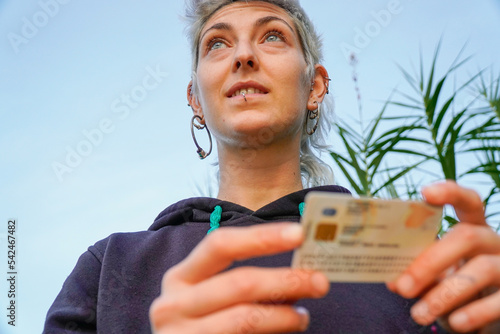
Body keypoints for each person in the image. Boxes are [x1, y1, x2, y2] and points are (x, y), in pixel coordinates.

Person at [44, 1, 500, 333]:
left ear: (315, 85)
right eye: (217, 43)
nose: (244, 56)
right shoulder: (111, 266)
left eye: (272, 35)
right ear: (195, 99)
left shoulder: (402, 250)